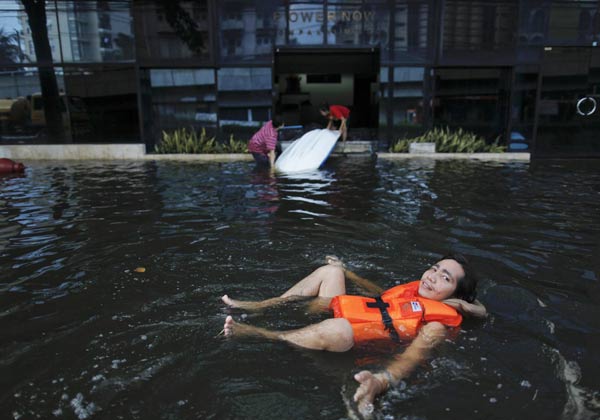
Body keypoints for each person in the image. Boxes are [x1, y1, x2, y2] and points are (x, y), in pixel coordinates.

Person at [221, 254, 486, 417]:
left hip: (353, 339)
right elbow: (381, 297)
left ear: (455, 297)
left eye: (445, 278)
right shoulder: (413, 292)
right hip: (349, 316)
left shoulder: (437, 324)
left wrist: (381, 381)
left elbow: (412, 358)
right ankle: (266, 305)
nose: (433, 276)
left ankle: (260, 334)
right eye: (435, 268)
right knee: (331, 272)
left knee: (338, 328)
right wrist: (347, 272)